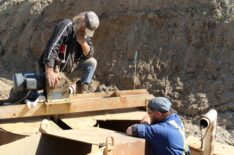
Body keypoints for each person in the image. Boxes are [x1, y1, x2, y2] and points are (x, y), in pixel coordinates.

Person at [38, 11, 100, 93]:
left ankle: (79, 88)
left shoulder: (84, 34)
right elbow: (53, 46)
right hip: (53, 67)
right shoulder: (66, 26)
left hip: (68, 66)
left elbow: (90, 53)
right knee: (52, 95)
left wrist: (83, 43)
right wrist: (49, 72)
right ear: (82, 22)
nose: (85, 33)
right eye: (85, 29)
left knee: (92, 62)